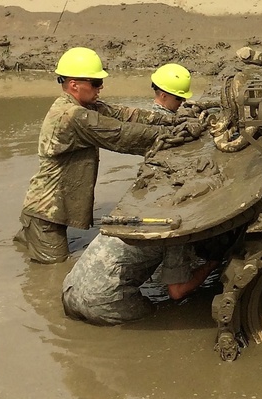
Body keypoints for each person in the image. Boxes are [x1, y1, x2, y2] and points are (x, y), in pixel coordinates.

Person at [16, 47, 187, 265]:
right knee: (54, 271)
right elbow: (120, 134)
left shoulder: (84, 106)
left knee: (27, 251)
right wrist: (174, 135)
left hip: (48, 208)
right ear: (74, 84)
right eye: (95, 83)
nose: (101, 87)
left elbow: (126, 115)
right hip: (46, 214)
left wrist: (174, 121)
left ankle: (27, 237)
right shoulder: (72, 116)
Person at [61, 232, 219, 325]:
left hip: (70, 291)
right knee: (162, 316)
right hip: (101, 303)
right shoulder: (177, 234)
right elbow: (177, 291)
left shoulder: (133, 210)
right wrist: (211, 265)